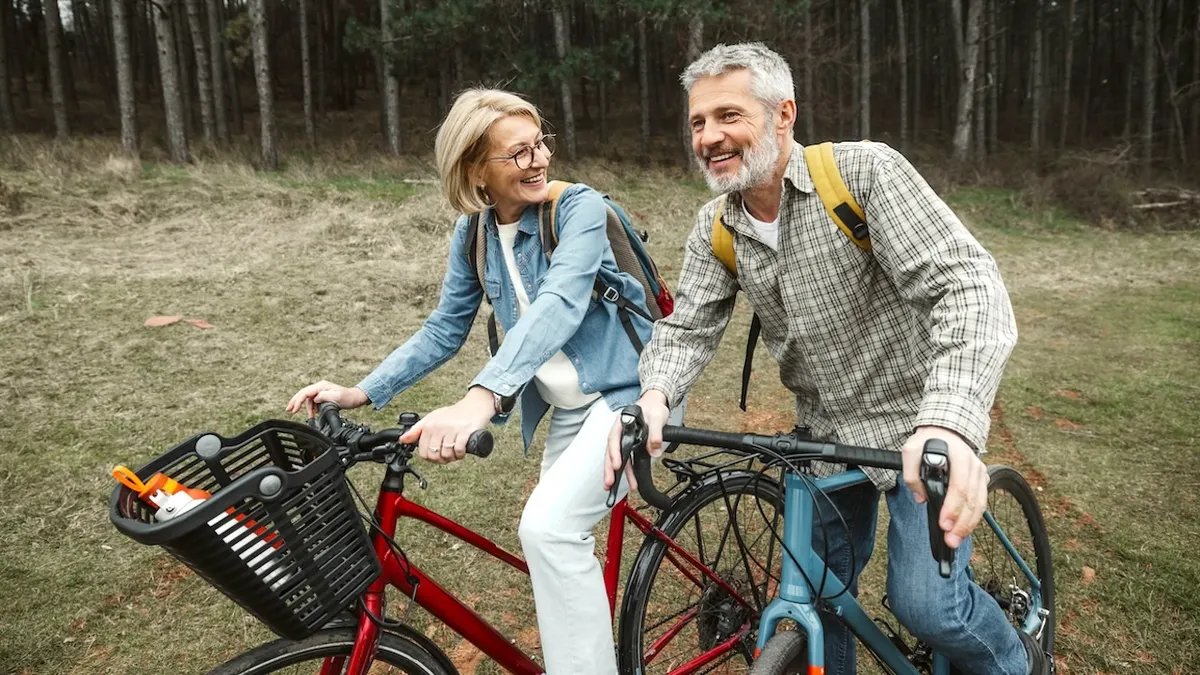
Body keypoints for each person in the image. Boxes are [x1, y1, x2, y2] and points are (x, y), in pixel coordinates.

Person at [605, 43, 1048, 675]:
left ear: (783, 114)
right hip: (823, 433)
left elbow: (968, 286)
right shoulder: (715, 227)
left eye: (729, 115)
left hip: (916, 423)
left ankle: (1020, 661)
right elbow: (687, 330)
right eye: (698, 122)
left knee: (928, 606)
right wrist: (654, 397)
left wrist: (947, 423)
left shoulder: (863, 174)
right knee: (816, 593)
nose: (708, 137)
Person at [288, 88, 652, 675]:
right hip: (571, 410)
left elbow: (560, 303)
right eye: (518, 152)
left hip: (630, 394)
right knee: (552, 542)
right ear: (476, 170)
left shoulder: (577, 208)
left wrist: (481, 399)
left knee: (548, 530)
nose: (538, 160)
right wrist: (362, 391)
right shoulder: (474, 235)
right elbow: (443, 329)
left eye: (540, 144)